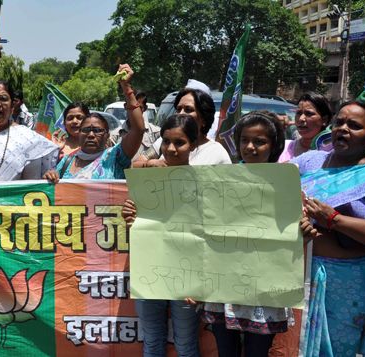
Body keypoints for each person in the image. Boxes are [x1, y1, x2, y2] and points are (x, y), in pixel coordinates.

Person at [294, 101, 365, 356]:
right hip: (298, 275)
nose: (343, 129)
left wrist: (334, 219)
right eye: (339, 123)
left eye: (354, 126)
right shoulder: (311, 163)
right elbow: (275, 187)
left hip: (348, 286)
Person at [201, 111, 289, 357]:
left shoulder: (286, 182)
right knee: (226, 352)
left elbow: (291, 231)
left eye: (259, 141)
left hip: (264, 286)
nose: (250, 147)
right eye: (244, 140)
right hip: (224, 283)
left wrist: (304, 230)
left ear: (274, 146)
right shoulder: (220, 180)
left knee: (257, 353)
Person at [122, 114, 202, 357]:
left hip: (187, 274)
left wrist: (201, 283)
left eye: (180, 143)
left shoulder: (205, 183)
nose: (171, 149)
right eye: (166, 141)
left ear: (194, 145)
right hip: (150, 269)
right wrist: (129, 218)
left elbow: (210, 234)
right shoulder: (145, 179)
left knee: (186, 344)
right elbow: (138, 229)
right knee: (152, 342)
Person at [43, 64, 144, 181]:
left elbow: (138, 130)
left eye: (97, 130)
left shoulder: (115, 156)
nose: (91, 135)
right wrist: (49, 177)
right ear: (79, 134)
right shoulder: (67, 161)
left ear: (107, 135)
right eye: (86, 130)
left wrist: (126, 86)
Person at [136, 87, 231, 168]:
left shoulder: (217, 153)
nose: (181, 114)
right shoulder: (163, 142)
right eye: (178, 109)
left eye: (188, 110)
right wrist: (151, 164)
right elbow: (135, 165)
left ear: (203, 119)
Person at [277, 92, 332, 162]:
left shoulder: (331, 153)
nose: (301, 118)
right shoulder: (284, 147)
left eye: (309, 114)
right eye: (299, 113)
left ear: (324, 120)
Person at [109, 90, 161, 161]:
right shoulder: (115, 136)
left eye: (139, 108)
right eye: (131, 108)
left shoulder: (156, 133)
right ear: (125, 106)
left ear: (145, 108)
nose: (134, 112)